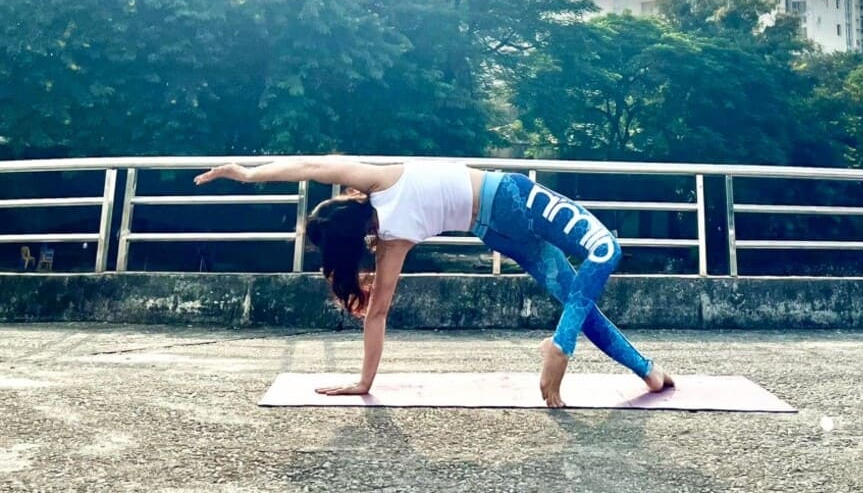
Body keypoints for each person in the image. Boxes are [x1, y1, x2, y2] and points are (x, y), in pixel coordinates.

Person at [194, 157, 672, 407]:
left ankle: (647, 371)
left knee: (579, 300)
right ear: (341, 204)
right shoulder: (378, 180)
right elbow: (310, 167)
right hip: (511, 197)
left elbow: (377, 314)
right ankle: (560, 347)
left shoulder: (393, 241)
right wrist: (248, 174)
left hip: (497, 235)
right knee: (605, 248)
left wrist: (364, 382)